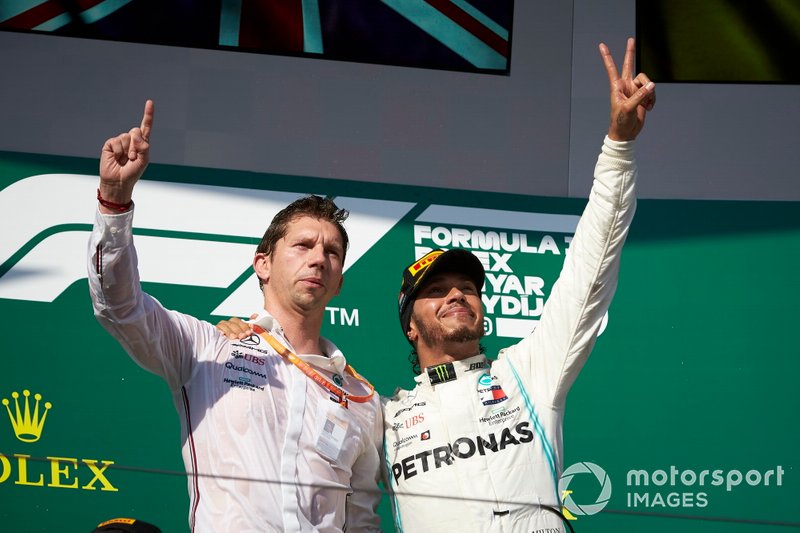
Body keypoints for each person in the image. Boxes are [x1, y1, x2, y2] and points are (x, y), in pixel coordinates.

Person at [217, 37, 655, 532]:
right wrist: (256, 341)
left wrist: (618, 147)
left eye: (467, 286)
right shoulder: (382, 415)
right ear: (410, 325)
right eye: (437, 288)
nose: (456, 294)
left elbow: (590, 268)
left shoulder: (530, 371)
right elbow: (300, 423)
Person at [87, 101, 383, 532]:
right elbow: (120, 307)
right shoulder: (208, 347)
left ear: (339, 283)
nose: (318, 259)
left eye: (331, 252)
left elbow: (361, 523)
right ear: (262, 263)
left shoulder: (362, 400)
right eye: (303, 246)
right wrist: (114, 202)